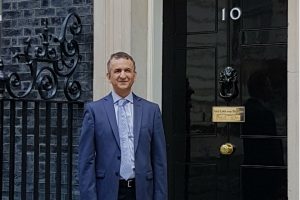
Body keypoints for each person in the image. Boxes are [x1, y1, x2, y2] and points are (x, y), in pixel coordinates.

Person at [78, 52, 168, 200]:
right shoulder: (94, 111)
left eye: (127, 70)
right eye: (117, 71)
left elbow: (159, 161)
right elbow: (86, 161)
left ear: (134, 75)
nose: (123, 75)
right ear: (109, 76)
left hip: (142, 192)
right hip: (107, 191)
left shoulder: (151, 111)